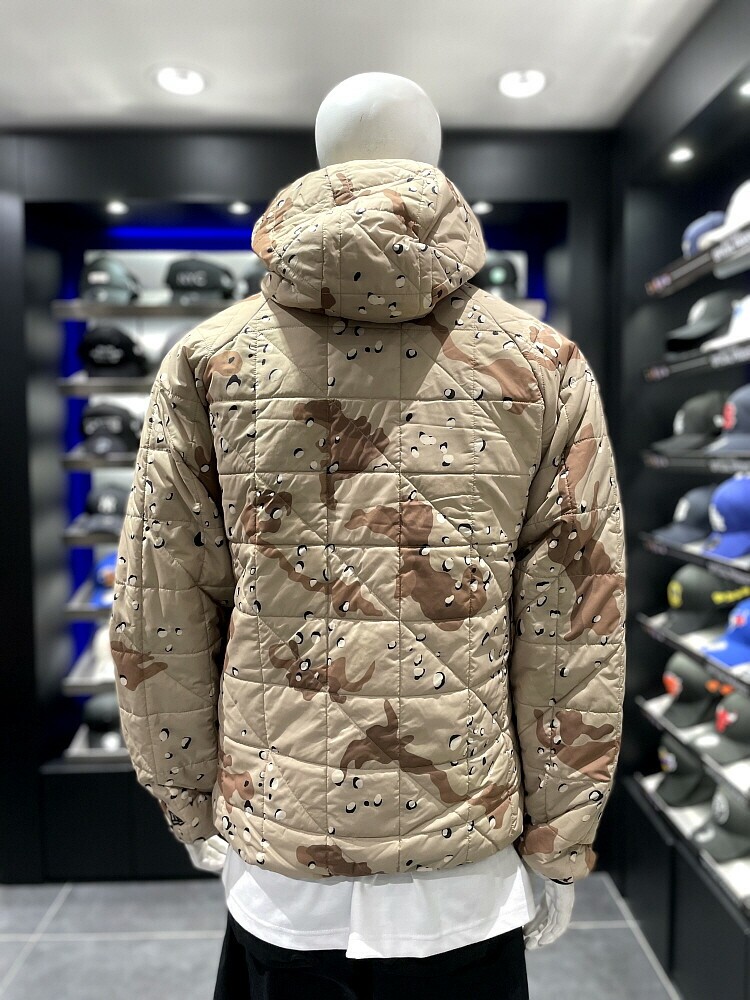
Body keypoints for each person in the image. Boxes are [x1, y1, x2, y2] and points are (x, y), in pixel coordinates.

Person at [109, 72, 626, 1000]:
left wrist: (184, 794)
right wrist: (561, 834)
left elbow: (161, 609)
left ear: (321, 160)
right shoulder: (545, 365)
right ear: (434, 160)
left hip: (282, 865)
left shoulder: (207, 359)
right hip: (465, 869)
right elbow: (576, 628)